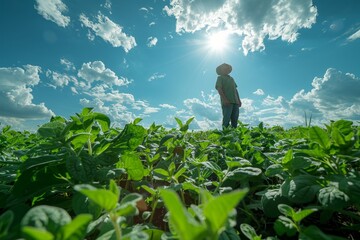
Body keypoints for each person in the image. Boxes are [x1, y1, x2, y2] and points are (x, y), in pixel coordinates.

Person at [215, 63, 242, 129]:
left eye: (227, 69)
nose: (226, 70)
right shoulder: (220, 78)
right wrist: (225, 99)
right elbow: (219, 89)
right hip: (227, 102)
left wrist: (239, 100)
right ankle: (225, 134)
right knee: (226, 119)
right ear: (221, 70)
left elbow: (235, 90)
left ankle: (234, 134)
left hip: (235, 102)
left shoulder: (232, 79)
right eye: (224, 69)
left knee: (235, 119)